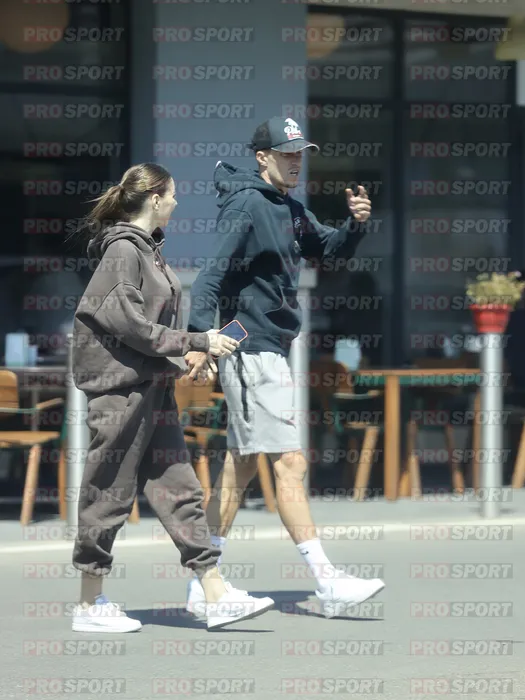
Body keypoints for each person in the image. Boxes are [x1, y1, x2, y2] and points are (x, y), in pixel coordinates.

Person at [186, 117, 385, 619]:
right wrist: (198, 340)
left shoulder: (290, 208)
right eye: (287, 153)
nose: (296, 161)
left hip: (269, 347)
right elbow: (210, 276)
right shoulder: (247, 204)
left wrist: (355, 224)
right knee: (290, 463)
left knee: (239, 467)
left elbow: (328, 250)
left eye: (300, 153)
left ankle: (202, 584)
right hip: (249, 345)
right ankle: (326, 580)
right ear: (262, 158)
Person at [69, 163, 274, 633]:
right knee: (108, 493)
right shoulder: (123, 250)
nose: (178, 203)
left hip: (152, 386)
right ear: (155, 198)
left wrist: (187, 356)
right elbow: (127, 324)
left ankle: (214, 591)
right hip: (120, 391)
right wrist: (197, 341)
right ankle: (88, 603)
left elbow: (146, 330)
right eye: (174, 195)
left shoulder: (148, 251)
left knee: (179, 488)